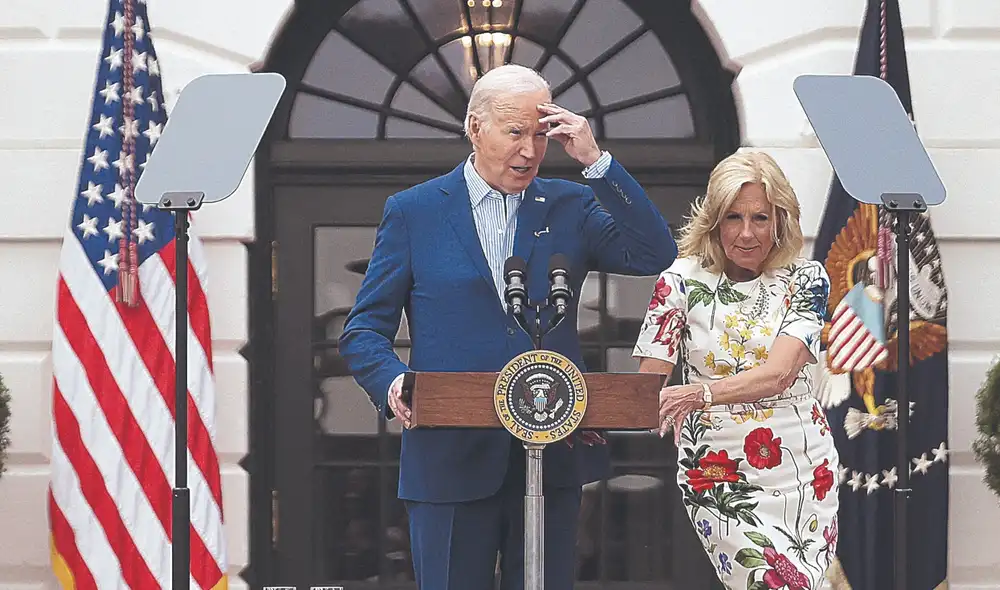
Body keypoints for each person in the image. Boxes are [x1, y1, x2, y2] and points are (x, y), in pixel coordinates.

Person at [338, 63, 678, 590]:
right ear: (475, 127)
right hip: (448, 460)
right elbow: (363, 331)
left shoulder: (572, 204)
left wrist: (595, 160)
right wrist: (393, 380)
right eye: (515, 132)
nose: (530, 149)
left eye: (540, 135)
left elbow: (654, 251)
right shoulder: (415, 212)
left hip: (551, 456)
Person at [632, 151, 840, 589]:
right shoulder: (678, 282)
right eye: (733, 218)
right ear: (714, 221)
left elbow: (780, 374)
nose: (746, 233)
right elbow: (647, 388)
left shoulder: (806, 280)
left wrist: (700, 393)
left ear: (780, 220)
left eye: (760, 218)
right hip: (717, 471)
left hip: (803, 466)